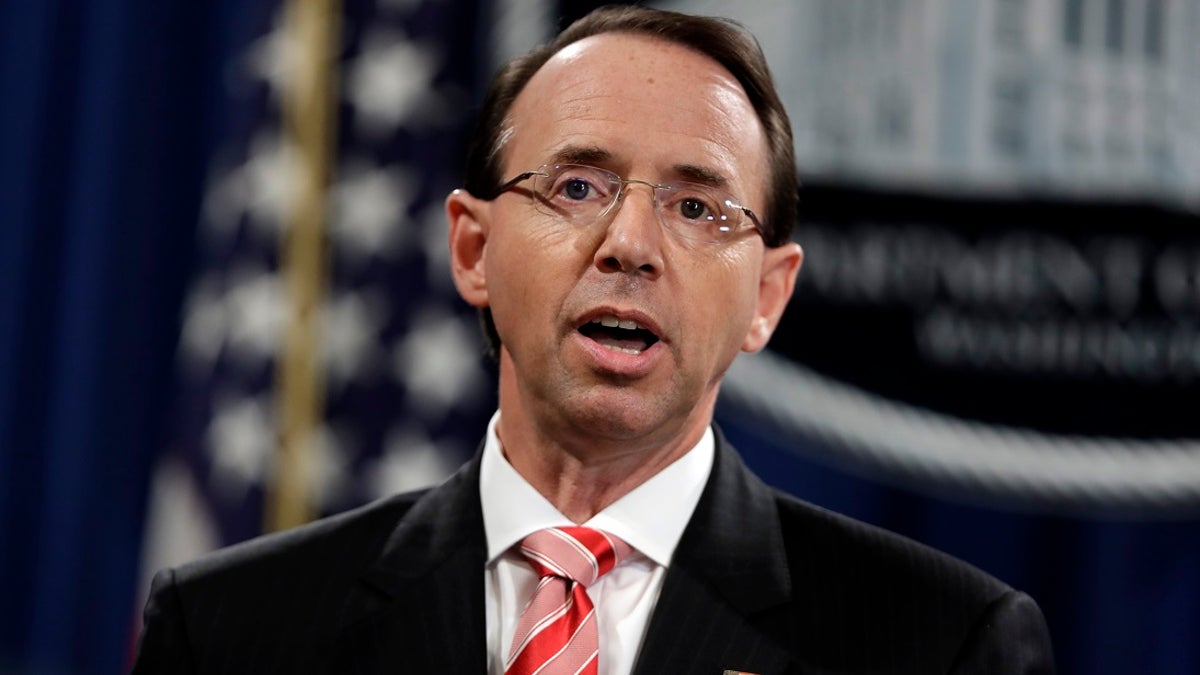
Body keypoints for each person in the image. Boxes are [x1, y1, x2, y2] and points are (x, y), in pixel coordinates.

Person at [131, 6, 1055, 674]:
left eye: (698, 206)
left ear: (768, 297)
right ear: (474, 247)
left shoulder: (941, 643)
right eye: (578, 187)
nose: (631, 245)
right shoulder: (229, 629)